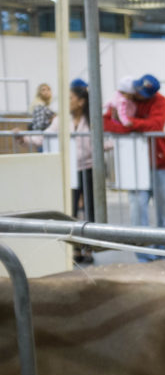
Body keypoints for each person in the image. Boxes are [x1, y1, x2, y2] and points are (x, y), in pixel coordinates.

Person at [15, 83, 109, 263]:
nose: (67, 102)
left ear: (81, 102)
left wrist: (103, 145)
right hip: (70, 171)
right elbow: (43, 137)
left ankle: (89, 248)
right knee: (70, 210)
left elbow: (106, 141)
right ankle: (74, 250)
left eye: (71, 98)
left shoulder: (93, 119)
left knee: (91, 211)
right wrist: (24, 138)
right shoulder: (61, 120)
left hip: (89, 170)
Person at [103, 73, 165, 261]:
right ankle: (143, 255)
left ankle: (164, 250)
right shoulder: (123, 97)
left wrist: (130, 124)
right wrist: (133, 126)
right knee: (137, 208)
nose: (140, 96)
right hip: (134, 165)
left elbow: (156, 125)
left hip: (160, 163)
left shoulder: (160, 101)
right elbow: (107, 122)